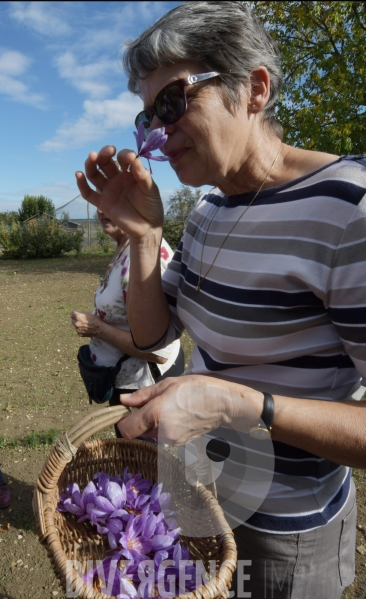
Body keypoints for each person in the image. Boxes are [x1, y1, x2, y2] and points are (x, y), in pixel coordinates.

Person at [74, 2, 366, 597]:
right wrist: (145, 237)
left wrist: (244, 405)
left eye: (174, 102)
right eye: (148, 113)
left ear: (253, 88)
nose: (157, 130)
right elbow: (156, 336)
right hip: (196, 499)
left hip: (284, 535)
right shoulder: (209, 210)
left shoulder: (348, 211)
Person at [71, 209, 184, 434]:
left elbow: (160, 350)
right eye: (99, 201)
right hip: (125, 381)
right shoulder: (126, 245)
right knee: (133, 460)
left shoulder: (143, 259)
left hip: (145, 387)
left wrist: (97, 328)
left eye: (112, 200)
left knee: (147, 462)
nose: (102, 209)